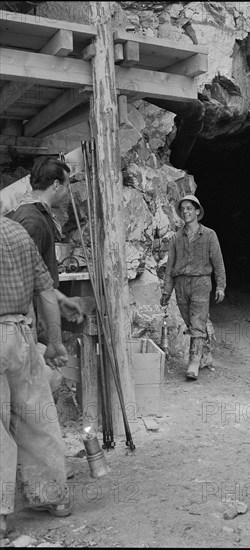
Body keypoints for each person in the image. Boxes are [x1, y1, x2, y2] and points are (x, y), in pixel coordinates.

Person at [1, 216, 73, 537]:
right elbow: (46, 291)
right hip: (20, 335)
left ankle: (0, 516)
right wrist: (55, 342)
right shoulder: (17, 231)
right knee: (35, 414)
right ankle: (54, 496)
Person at [7, 157, 84, 331]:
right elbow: (25, 280)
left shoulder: (32, 213)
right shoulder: (32, 220)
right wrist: (33, 331)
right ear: (56, 185)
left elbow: (36, 276)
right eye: (66, 187)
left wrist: (61, 299)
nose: (66, 193)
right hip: (24, 321)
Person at [160, 195, 226, 380]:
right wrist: (167, 291)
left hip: (201, 283)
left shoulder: (209, 235)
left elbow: (218, 262)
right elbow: (170, 267)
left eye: (190, 208)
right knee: (191, 322)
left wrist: (221, 286)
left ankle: (193, 363)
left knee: (197, 324)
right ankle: (205, 355)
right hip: (181, 284)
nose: (186, 212)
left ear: (197, 211)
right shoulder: (175, 238)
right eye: (183, 209)